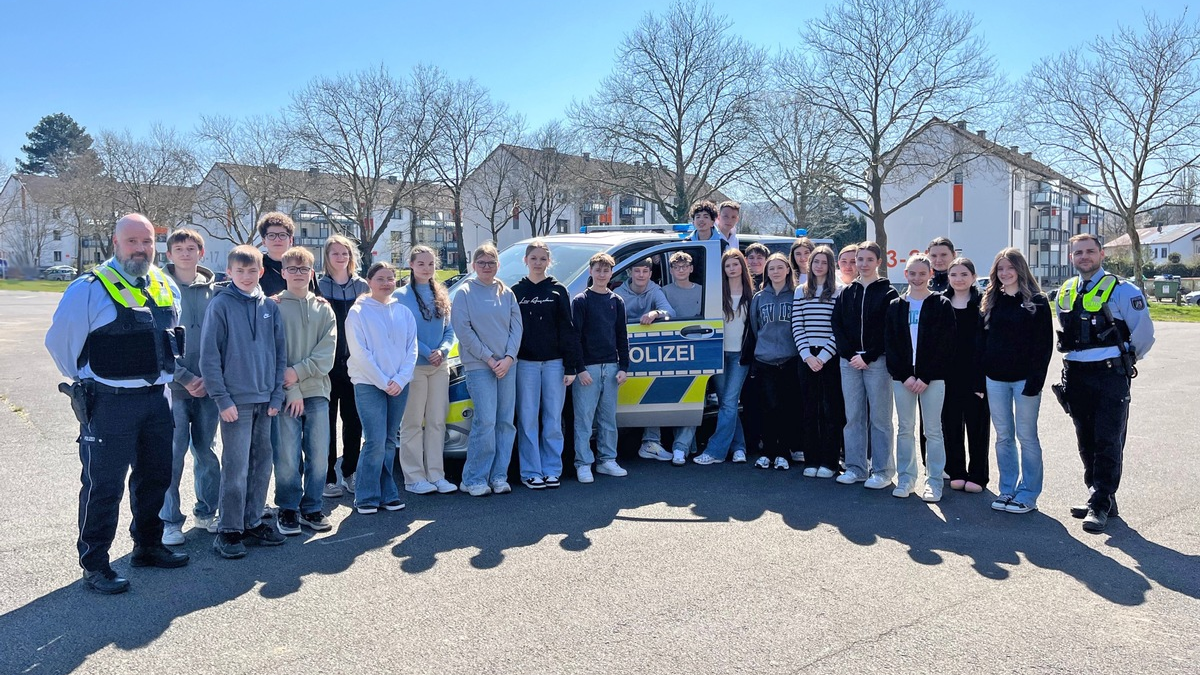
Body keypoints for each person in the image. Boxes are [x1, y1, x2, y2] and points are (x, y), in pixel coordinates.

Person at [45, 213, 190, 594]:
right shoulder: (88, 288)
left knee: (156, 477)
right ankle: (95, 563)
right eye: (132, 241)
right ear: (115, 243)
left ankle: (147, 545)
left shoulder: (164, 284)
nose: (140, 249)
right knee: (103, 486)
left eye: (146, 242)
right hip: (109, 402)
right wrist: (88, 381)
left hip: (157, 400)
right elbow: (61, 344)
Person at [1056, 233, 1154, 532]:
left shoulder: (1124, 290)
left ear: (1101, 254)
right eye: (1078, 253)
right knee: (1085, 438)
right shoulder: (1067, 289)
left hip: (1110, 373)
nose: (1084, 257)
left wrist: (1124, 360)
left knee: (1108, 439)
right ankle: (1098, 494)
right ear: (1071, 257)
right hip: (1076, 372)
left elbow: (1144, 335)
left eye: (1089, 251)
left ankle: (1100, 502)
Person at [200, 245, 288, 559]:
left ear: (261, 272)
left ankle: (252, 521)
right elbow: (209, 357)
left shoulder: (269, 307)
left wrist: (277, 394)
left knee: (262, 464)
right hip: (235, 401)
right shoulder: (221, 305)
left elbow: (280, 354)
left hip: (266, 400)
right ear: (230, 273)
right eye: (240, 271)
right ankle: (229, 529)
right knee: (235, 468)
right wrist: (222, 399)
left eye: (253, 271)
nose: (247, 276)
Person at [979, 248, 1052, 515]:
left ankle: (1028, 493)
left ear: (1020, 269)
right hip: (995, 380)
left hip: (1025, 382)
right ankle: (1007, 489)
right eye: (1000, 269)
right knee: (1003, 437)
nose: (1005, 273)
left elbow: (1044, 346)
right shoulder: (990, 300)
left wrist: (1036, 381)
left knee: (1027, 437)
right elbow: (983, 342)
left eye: (1010, 268)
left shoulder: (1038, 301)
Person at [159, 228, 220, 546]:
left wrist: (210, 378)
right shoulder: (158, 289)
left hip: (209, 386)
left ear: (202, 252)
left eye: (192, 247)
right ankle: (170, 521)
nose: (185, 252)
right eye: (179, 248)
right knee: (172, 455)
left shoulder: (216, 291)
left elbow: (223, 338)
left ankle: (207, 511)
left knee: (206, 453)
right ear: (169, 254)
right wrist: (183, 377)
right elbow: (157, 340)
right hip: (174, 387)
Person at [272, 247, 337, 535]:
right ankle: (287, 507)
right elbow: (273, 353)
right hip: (286, 394)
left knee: (319, 453)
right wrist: (292, 388)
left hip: (318, 391)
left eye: (304, 269)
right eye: (293, 269)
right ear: (283, 272)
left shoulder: (323, 308)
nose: (298, 274)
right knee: (286, 454)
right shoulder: (272, 306)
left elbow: (327, 354)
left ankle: (311, 506)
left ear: (312, 273)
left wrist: (297, 374)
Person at [451, 244, 523, 497]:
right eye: (481, 262)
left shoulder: (507, 293)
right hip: (479, 366)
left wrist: (509, 358)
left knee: (505, 422)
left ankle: (499, 476)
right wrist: (490, 359)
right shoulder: (464, 293)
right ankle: (473, 478)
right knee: (486, 422)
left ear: (498, 265)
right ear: (473, 265)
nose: (486, 267)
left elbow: (517, 329)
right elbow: (464, 331)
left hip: (506, 366)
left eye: (491, 262)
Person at [346, 262, 417, 514]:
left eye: (391, 278)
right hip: (369, 384)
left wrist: (400, 379)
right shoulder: (358, 312)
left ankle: (388, 493)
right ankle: (366, 496)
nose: (387, 283)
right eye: (381, 278)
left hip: (399, 385)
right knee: (374, 440)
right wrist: (383, 381)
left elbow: (412, 349)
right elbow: (360, 353)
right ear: (369, 281)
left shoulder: (404, 312)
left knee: (389, 440)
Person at [885, 255, 955, 502]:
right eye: (912, 274)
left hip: (932, 379)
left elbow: (946, 345)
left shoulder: (941, 304)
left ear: (930, 275)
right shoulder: (896, 305)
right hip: (903, 379)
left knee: (933, 431)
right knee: (905, 429)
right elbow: (891, 345)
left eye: (922, 274)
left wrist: (925, 376)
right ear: (905, 274)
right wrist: (905, 375)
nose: (917, 278)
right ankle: (906, 478)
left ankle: (934, 481)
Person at [512, 241, 582, 489]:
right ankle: (531, 471)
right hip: (525, 364)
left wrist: (571, 366)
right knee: (528, 419)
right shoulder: (516, 292)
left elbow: (568, 328)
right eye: (534, 258)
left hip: (555, 363)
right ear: (526, 260)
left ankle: (552, 469)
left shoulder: (558, 290)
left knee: (553, 419)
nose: (538, 263)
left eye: (543, 259)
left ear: (549, 261)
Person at [832, 241, 898, 488]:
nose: (863, 264)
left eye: (869, 259)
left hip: (876, 362)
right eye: (860, 259)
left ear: (879, 262)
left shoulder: (889, 293)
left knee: (880, 419)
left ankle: (882, 470)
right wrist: (850, 354)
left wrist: (868, 356)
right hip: (849, 362)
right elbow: (837, 324)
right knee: (854, 417)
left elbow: (888, 331)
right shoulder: (847, 292)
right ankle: (856, 468)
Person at [394, 245, 458, 495]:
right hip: (415, 368)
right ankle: (414, 477)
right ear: (411, 265)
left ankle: (436, 474)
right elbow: (403, 332)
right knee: (411, 423)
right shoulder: (400, 296)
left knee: (436, 422)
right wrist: (426, 351)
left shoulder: (441, 293)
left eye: (431, 264)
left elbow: (450, 330)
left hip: (439, 367)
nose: (427, 268)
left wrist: (442, 350)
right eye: (421, 264)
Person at [571, 253, 631, 483]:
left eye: (606, 270)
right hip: (588, 368)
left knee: (608, 418)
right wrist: (580, 369)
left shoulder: (616, 301)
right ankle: (583, 463)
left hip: (612, 367)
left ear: (612, 273)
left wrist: (623, 366)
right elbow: (574, 338)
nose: (602, 274)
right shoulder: (581, 301)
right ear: (590, 272)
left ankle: (607, 460)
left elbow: (621, 335)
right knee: (584, 419)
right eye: (598, 270)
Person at [318, 235, 369, 498]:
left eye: (344, 253)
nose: (340, 257)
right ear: (326, 257)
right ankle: (328, 477)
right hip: (326, 366)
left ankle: (350, 471)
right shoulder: (318, 285)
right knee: (325, 424)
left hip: (354, 365)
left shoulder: (362, 286)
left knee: (353, 421)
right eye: (334, 253)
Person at [614, 256, 675, 462]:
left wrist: (656, 312)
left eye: (645, 271)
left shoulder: (654, 290)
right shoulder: (619, 293)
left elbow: (670, 312)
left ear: (650, 273)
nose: (641, 275)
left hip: (649, 349)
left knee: (653, 390)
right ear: (630, 273)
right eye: (637, 271)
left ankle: (651, 441)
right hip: (623, 349)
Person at [695, 249, 752, 465]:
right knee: (726, 404)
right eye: (727, 265)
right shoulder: (716, 293)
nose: (731, 268)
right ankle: (739, 448)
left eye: (735, 264)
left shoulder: (751, 295)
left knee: (729, 402)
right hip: (718, 353)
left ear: (742, 266)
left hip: (740, 356)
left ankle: (715, 452)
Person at [791, 245, 844, 478]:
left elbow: (839, 328)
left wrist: (822, 356)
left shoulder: (839, 291)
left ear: (830, 266)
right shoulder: (800, 291)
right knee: (808, 410)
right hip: (806, 357)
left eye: (824, 262)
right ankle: (811, 460)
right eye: (815, 262)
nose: (819, 266)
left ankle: (829, 461)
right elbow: (797, 325)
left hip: (829, 357)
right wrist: (806, 355)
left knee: (830, 410)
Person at [743, 253, 799, 470]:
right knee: (767, 408)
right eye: (771, 268)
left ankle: (783, 453)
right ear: (766, 272)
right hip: (765, 360)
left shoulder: (796, 296)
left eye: (779, 267)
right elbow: (755, 328)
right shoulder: (759, 297)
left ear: (787, 270)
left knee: (786, 408)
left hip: (789, 359)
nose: (775, 272)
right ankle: (767, 452)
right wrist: (762, 350)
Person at [942, 257, 989, 493]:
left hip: (975, 375)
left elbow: (988, 344)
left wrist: (981, 379)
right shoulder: (940, 302)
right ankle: (956, 471)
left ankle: (978, 475)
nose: (958, 279)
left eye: (963, 274)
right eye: (953, 275)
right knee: (950, 425)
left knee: (977, 427)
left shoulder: (984, 303)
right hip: (947, 375)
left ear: (973, 277)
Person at [662, 250, 704, 464]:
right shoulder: (664, 291)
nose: (680, 270)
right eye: (676, 267)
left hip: (698, 349)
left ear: (691, 269)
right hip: (671, 350)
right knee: (677, 397)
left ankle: (680, 448)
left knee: (693, 397)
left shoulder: (703, 291)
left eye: (684, 266)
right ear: (671, 270)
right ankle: (687, 446)